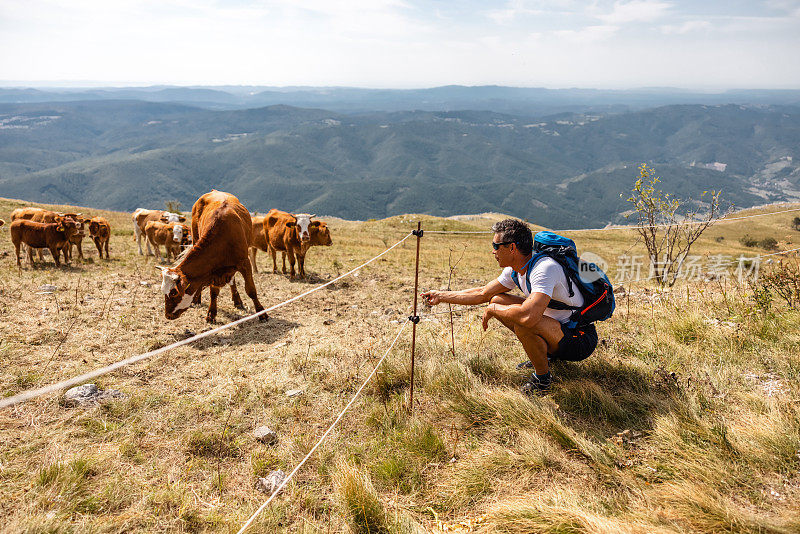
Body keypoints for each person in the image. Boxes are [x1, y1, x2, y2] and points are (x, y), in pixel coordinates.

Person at [421, 218, 598, 395]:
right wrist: (440, 296)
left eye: (496, 245)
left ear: (512, 247)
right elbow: (484, 293)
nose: (493, 251)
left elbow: (529, 317)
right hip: (556, 329)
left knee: (523, 321)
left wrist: (493, 310)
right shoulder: (516, 267)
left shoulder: (544, 269)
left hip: (579, 339)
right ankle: (545, 355)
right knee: (497, 299)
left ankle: (542, 380)